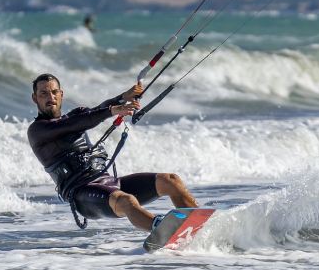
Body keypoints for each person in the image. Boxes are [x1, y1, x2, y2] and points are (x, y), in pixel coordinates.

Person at [27, 73, 198, 231]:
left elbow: (94, 111)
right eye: (44, 94)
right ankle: (162, 230)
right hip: (82, 194)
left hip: (108, 182)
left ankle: (199, 225)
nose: (51, 97)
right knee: (127, 200)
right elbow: (76, 124)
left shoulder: (75, 115)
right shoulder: (37, 131)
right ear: (35, 98)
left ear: (61, 94)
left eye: (54, 92)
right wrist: (112, 111)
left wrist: (123, 97)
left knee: (171, 180)